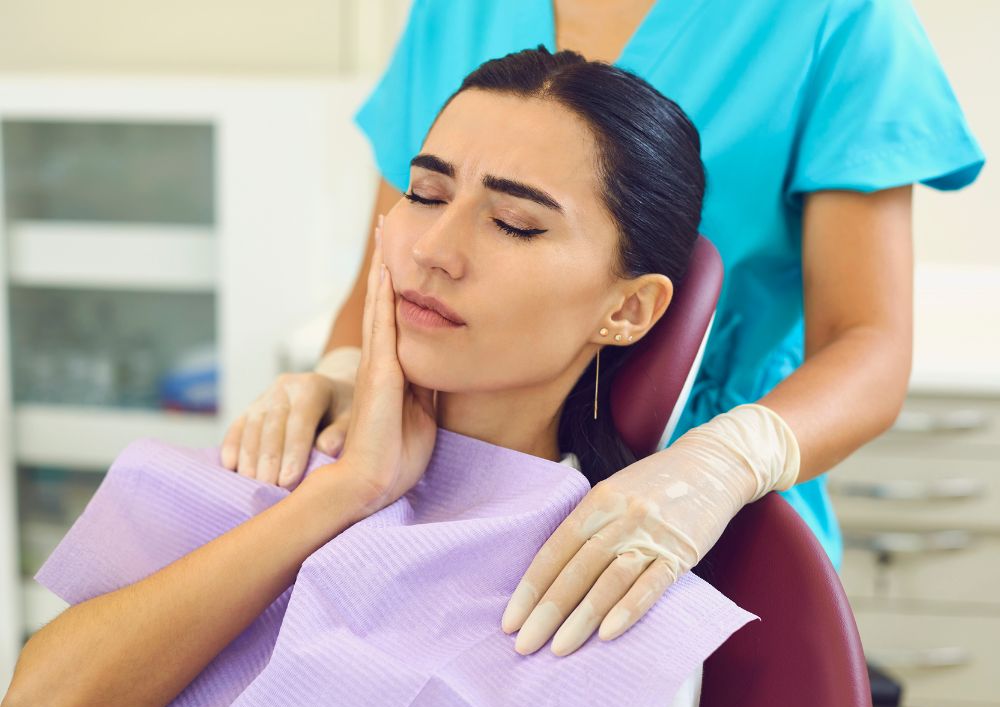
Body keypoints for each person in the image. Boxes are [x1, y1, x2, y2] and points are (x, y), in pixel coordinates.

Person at [2, 49, 766, 707]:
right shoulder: (285, 455)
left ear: (627, 310)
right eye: (426, 194)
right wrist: (343, 493)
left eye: (513, 224)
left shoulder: (611, 597)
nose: (432, 250)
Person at [221, 0, 986, 654]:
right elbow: (387, 272)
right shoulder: (453, 10)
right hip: (432, 479)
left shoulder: (836, 21)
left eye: (517, 225)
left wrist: (718, 466)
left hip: (700, 524)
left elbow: (868, 342)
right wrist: (344, 377)